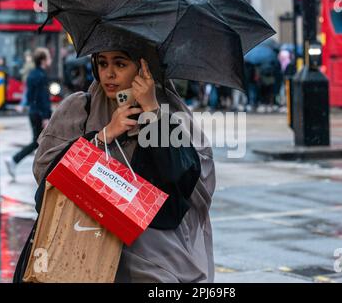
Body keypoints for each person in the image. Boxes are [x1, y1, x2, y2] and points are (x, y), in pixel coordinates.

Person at [14, 49, 216, 283]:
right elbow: (49, 184)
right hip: (80, 256)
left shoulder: (174, 117)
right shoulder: (79, 109)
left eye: (120, 64)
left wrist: (152, 112)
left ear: (144, 70)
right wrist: (103, 136)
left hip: (153, 265)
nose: (108, 73)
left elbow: (185, 192)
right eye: (102, 63)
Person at [5, 48, 52, 180]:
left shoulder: (32, 74)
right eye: (48, 57)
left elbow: (30, 95)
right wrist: (45, 116)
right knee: (39, 141)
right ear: (43, 60)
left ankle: (18, 161)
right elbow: (43, 98)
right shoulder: (42, 76)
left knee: (40, 141)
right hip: (40, 114)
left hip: (33, 111)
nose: (50, 60)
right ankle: (15, 160)